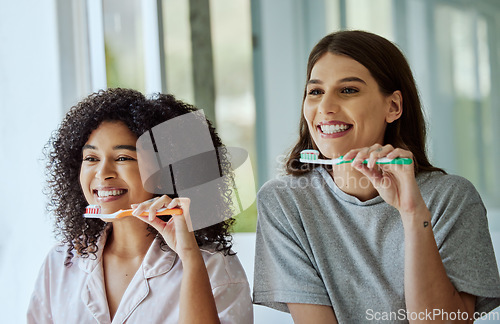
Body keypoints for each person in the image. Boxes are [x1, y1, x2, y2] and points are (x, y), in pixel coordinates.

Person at [253, 30, 500, 323]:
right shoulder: (284, 202)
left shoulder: (452, 198)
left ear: (393, 106)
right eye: (315, 91)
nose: (325, 107)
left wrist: (412, 213)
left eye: (348, 90)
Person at [27, 88, 253, 323]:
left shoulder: (214, 266)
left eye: (123, 158)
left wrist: (189, 257)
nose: (102, 173)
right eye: (91, 159)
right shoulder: (61, 262)